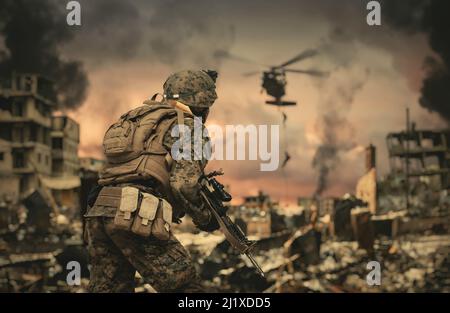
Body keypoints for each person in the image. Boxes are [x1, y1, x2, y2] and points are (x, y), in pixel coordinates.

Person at [84, 70, 220, 292]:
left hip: (100, 210)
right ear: (203, 104)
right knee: (185, 287)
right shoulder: (188, 127)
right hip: (135, 213)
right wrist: (205, 217)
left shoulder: (139, 120)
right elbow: (184, 184)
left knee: (109, 289)